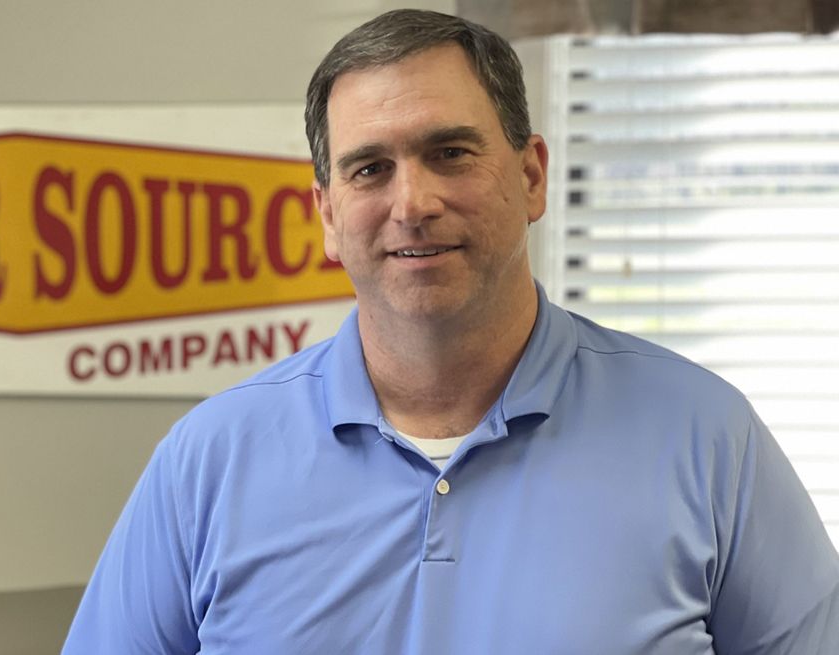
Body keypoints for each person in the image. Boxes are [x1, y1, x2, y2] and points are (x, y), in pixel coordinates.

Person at [61, 9, 839, 654]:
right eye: (370, 169)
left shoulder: (706, 435)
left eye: (450, 152)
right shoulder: (208, 461)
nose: (414, 202)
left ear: (531, 175)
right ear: (328, 215)